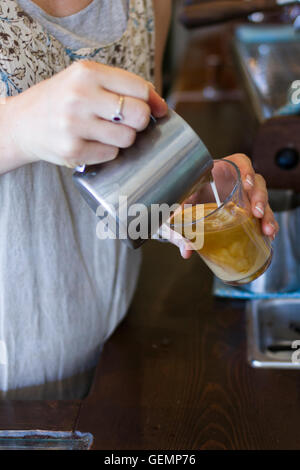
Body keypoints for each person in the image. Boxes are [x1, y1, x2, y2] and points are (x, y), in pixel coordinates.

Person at [0, 0, 278, 398]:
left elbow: (132, 173)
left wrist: (189, 184)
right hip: (13, 396)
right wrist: (14, 127)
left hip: (115, 349)